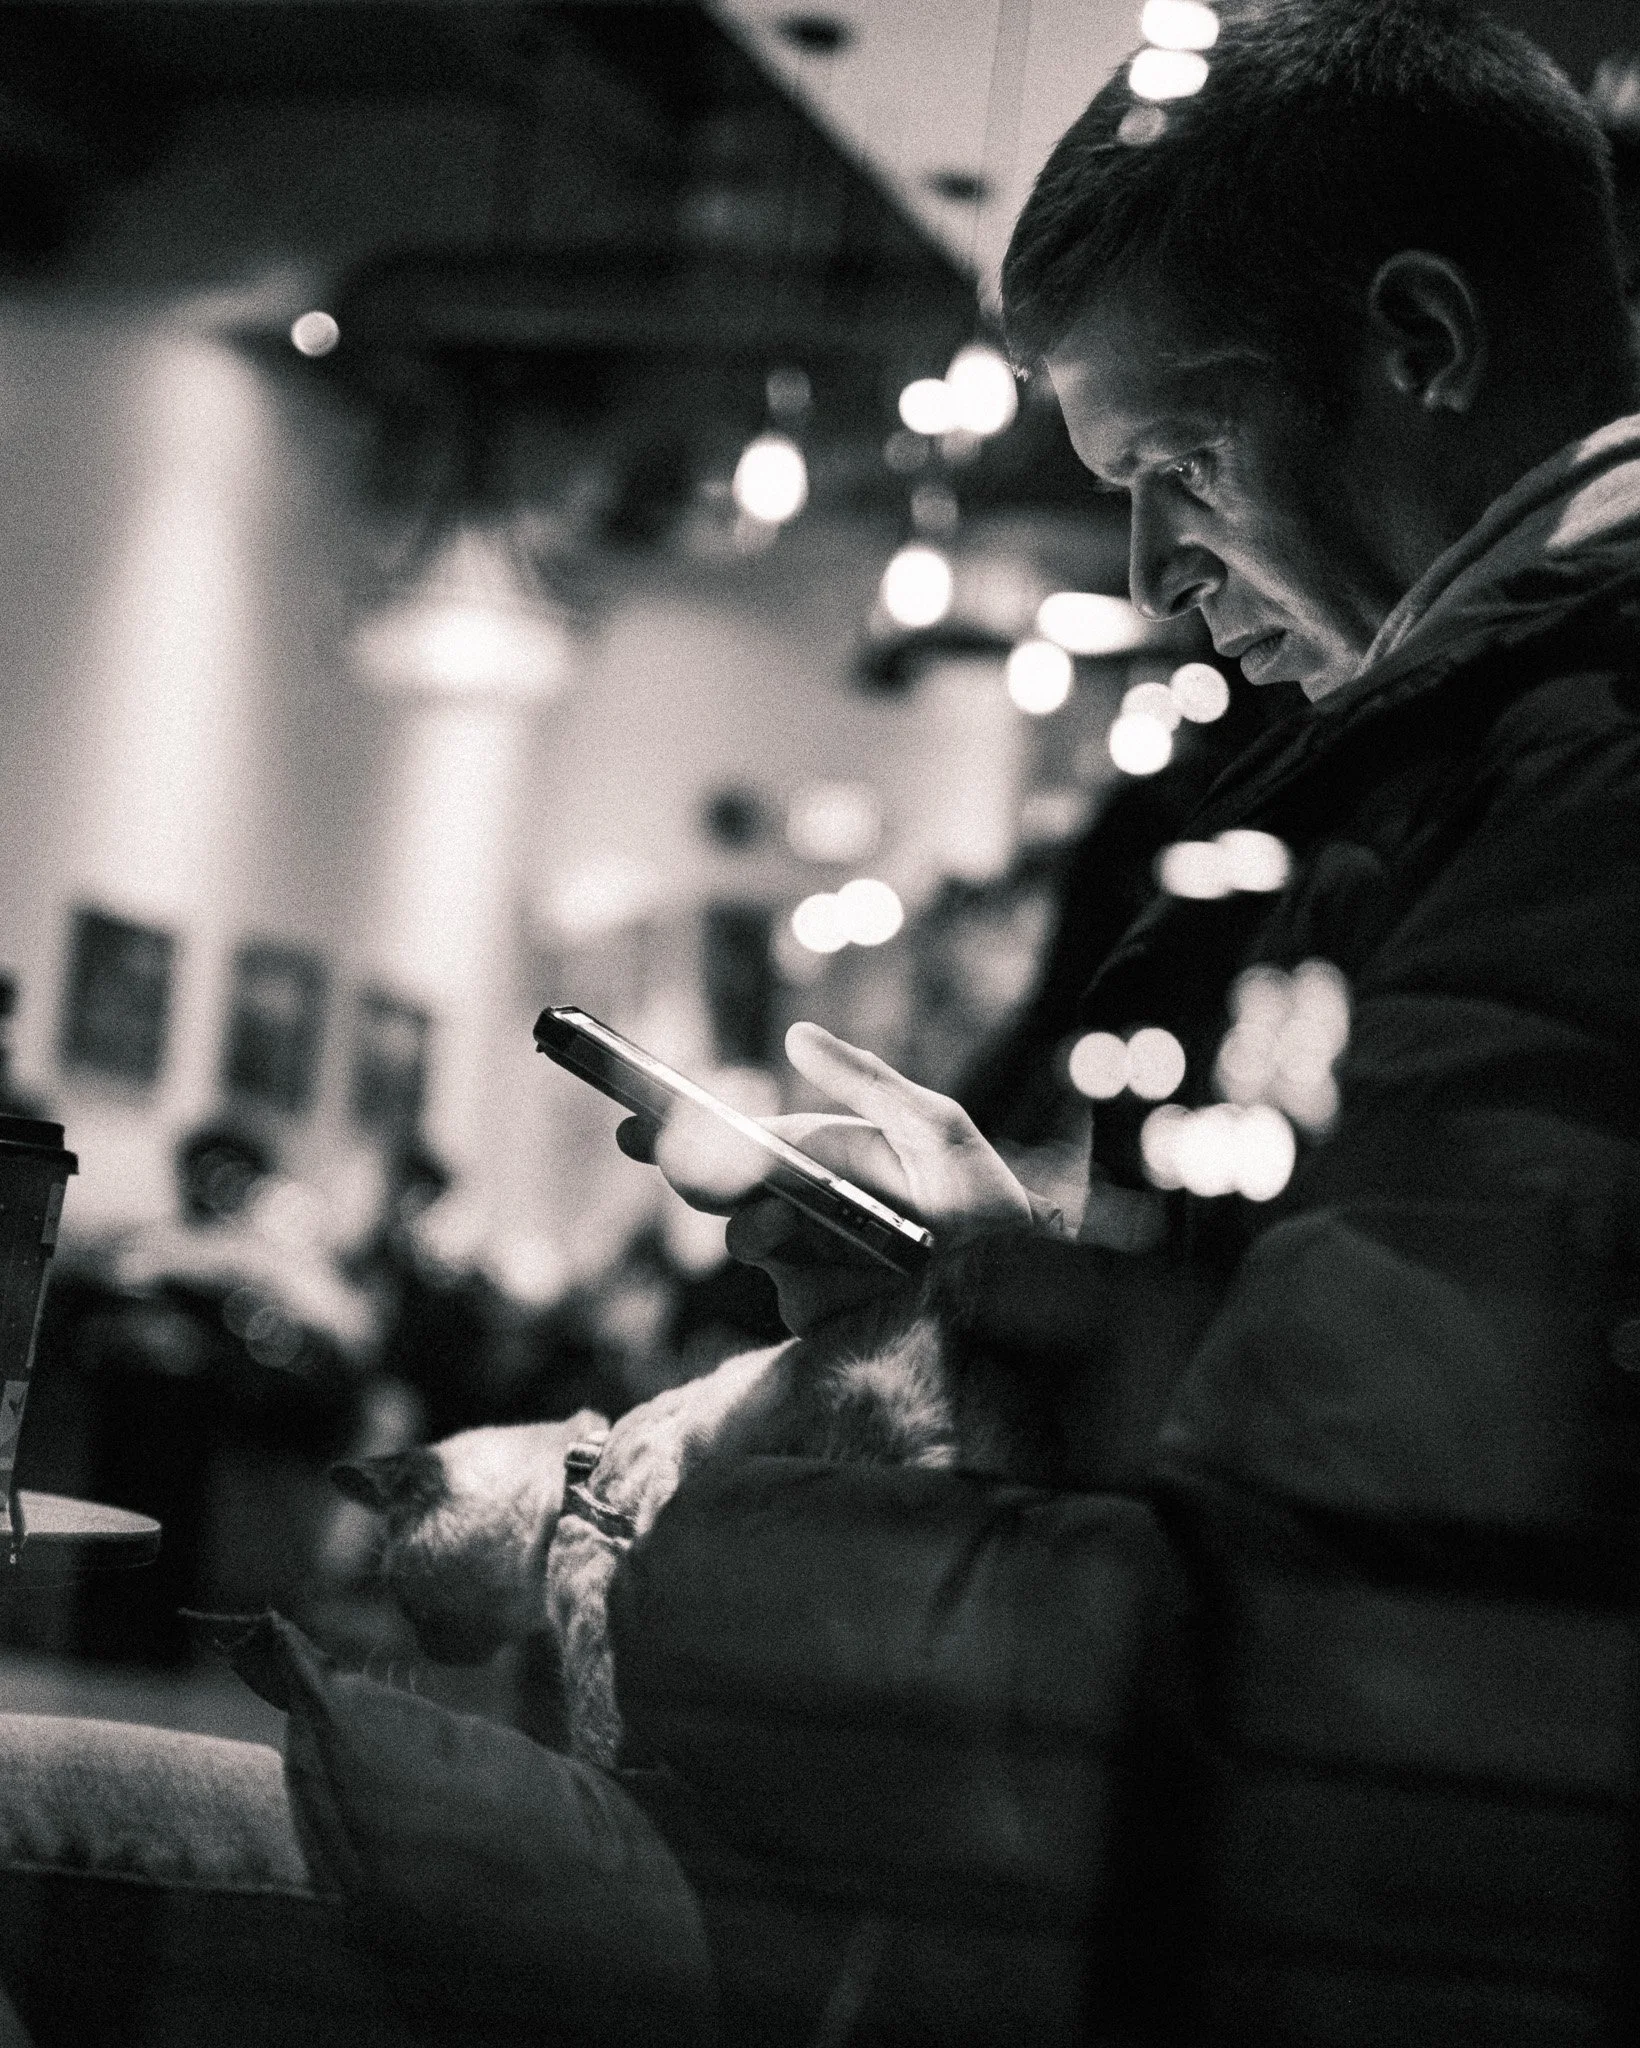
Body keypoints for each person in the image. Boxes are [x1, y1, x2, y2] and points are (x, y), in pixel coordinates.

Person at [2, 2, 1638, 2040]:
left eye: (1185, 460)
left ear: (1420, 341)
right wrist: (1005, 1282)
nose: (1147, 561)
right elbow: (1343, 1404)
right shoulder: (1476, 768)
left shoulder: (1566, 784)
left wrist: (655, 1514)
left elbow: (1339, 1648)